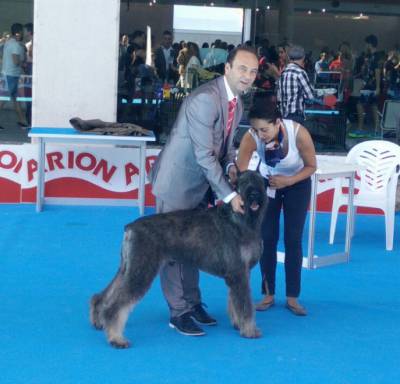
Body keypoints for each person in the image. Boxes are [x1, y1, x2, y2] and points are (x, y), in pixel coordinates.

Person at [150, 46, 259, 336]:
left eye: (253, 71)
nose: (248, 76)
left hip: (202, 185)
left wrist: (233, 167)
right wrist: (231, 195)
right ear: (228, 69)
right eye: (243, 69)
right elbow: (204, 156)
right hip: (177, 183)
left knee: (195, 247)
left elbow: (225, 148)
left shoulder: (238, 102)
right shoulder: (205, 100)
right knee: (172, 250)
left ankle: (193, 303)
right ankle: (178, 311)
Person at [236, 103, 316, 316]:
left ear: (278, 123)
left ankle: (292, 297)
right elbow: (241, 169)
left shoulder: (299, 133)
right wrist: (251, 188)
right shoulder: (251, 137)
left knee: (293, 239)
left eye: (265, 130)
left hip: (297, 182)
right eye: (256, 130)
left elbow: (311, 167)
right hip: (267, 184)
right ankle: (268, 294)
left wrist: (288, 181)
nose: (260, 135)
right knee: (267, 238)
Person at [277, 45, 315, 125]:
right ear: (303, 58)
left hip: (283, 115)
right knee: (296, 137)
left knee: (287, 137)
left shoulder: (283, 73)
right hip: (296, 115)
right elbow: (310, 96)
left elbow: (279, 96)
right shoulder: (300, 72)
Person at [0, 23, 27, 127]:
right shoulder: (15, 45)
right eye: (22, 32)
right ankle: (22, 121)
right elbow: (16, 61)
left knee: (16, 99)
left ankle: (22, 121)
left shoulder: (8, 42)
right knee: (3, 100)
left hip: (8, 74)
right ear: (18, 32)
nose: (23, 34)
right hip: (11, 75)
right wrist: (23, 62)